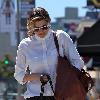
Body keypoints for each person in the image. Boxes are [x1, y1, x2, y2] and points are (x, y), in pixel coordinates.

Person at [14, 7, 84, 100]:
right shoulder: (25, 45)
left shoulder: (60, 37)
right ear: (31, 27)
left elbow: (78, 62)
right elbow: (19, 75)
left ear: (49, 23)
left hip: (61, 94)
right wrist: (39, 77)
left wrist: (66, 78)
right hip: (35, 95)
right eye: (36, 29)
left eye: (44, 27)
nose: (41, 31)